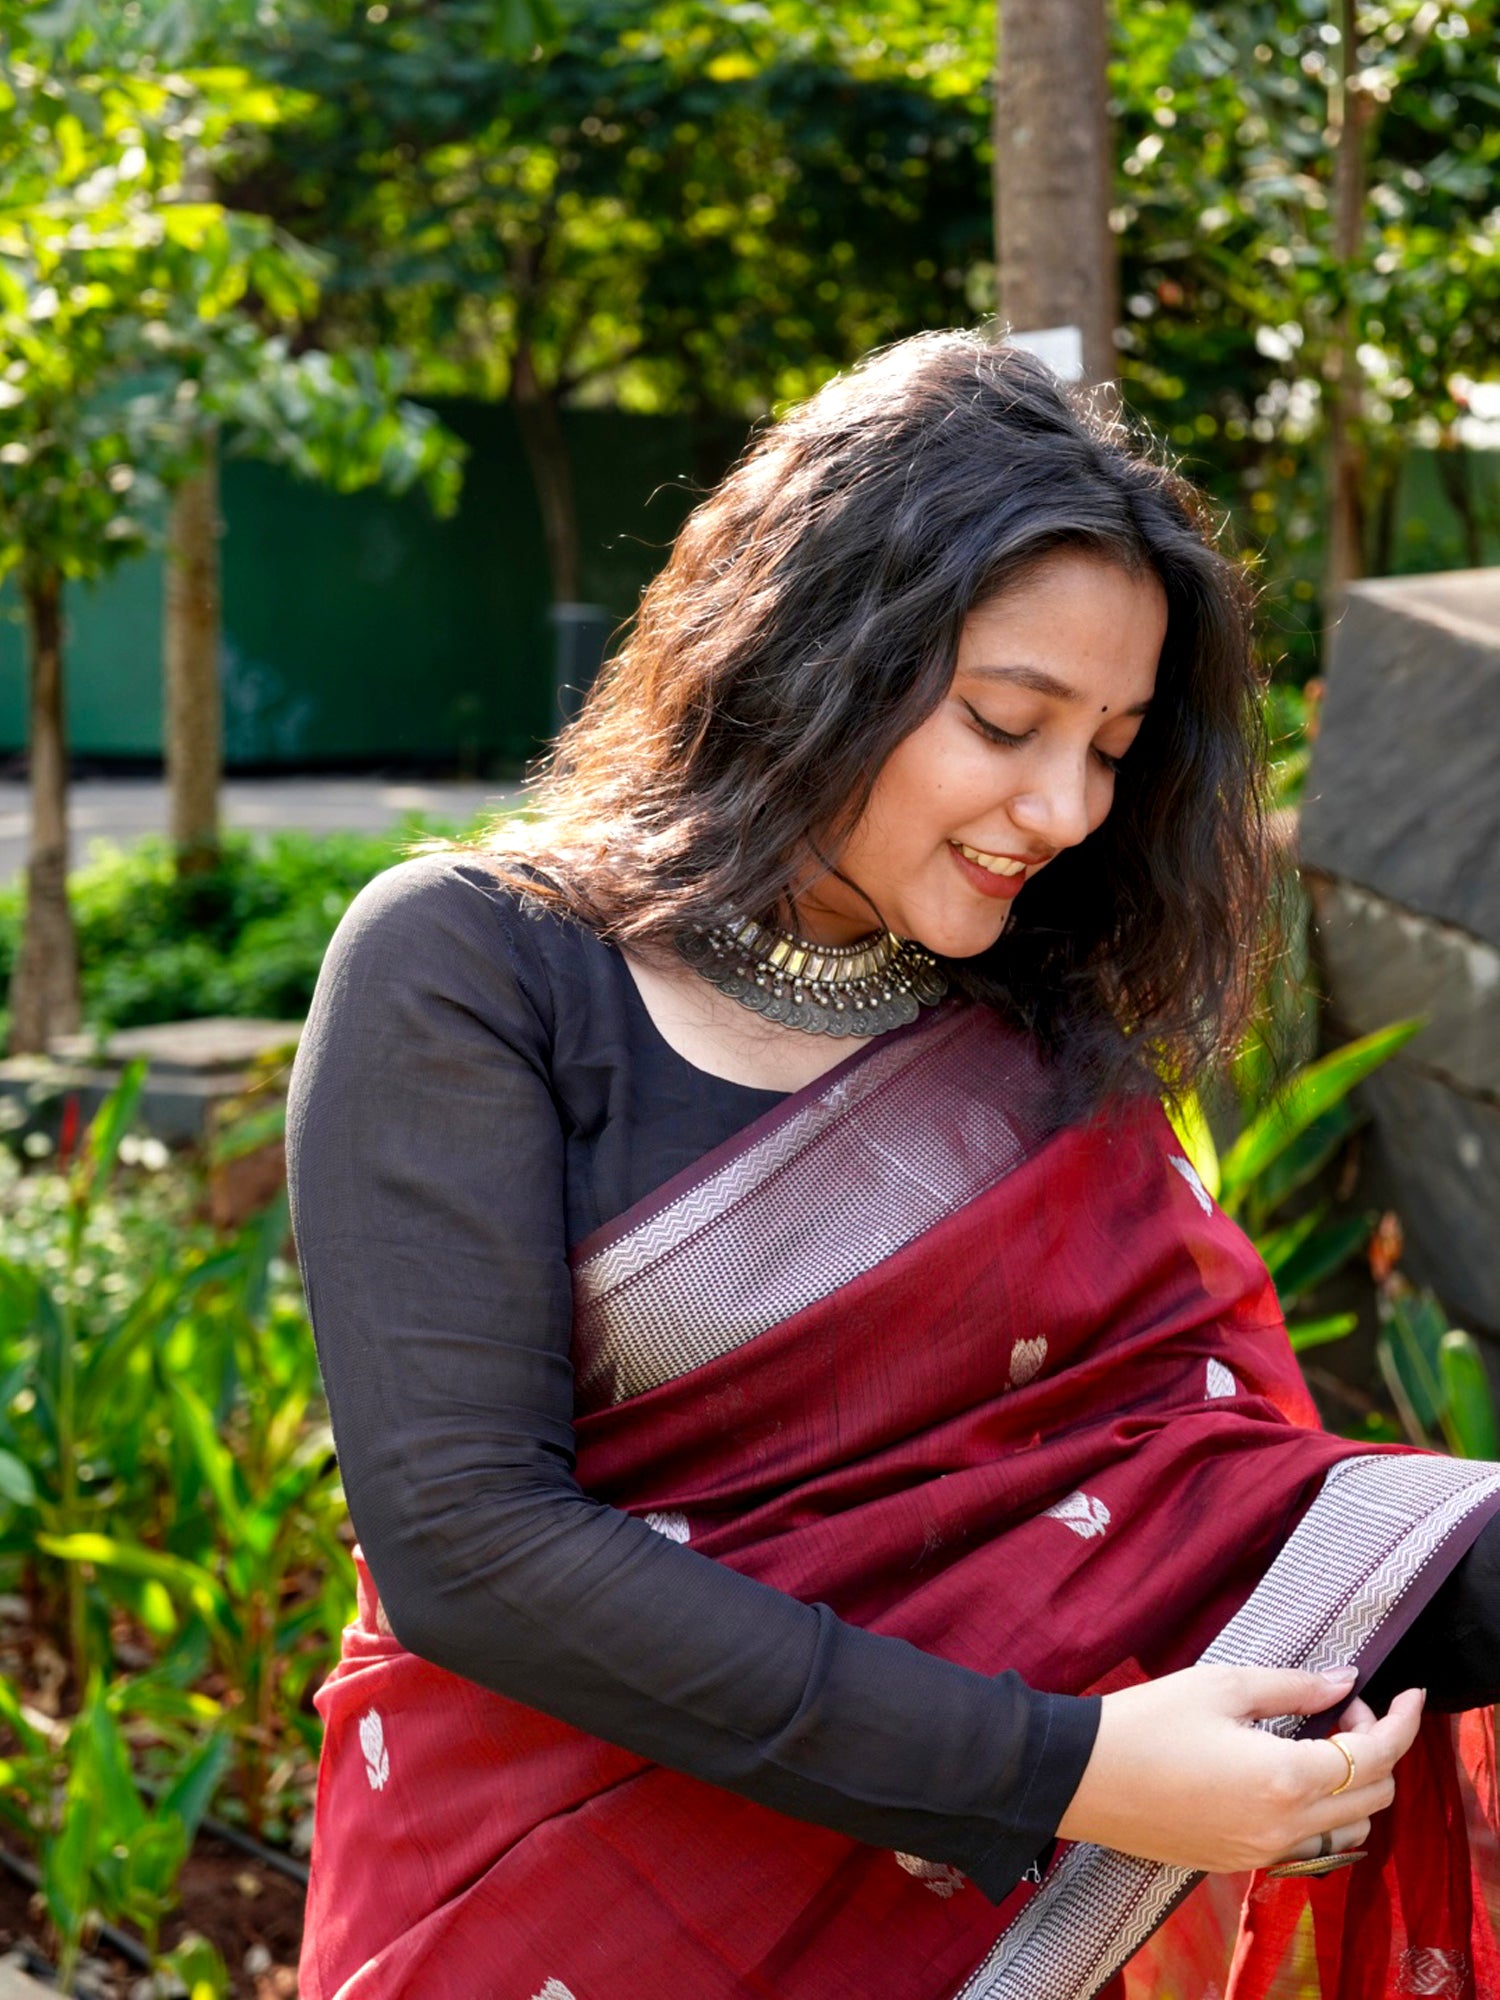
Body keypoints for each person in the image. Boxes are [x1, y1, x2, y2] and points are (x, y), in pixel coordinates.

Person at [287, 332, 1500, 2000]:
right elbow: (470, 1549)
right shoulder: (478, 966)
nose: (1068, 806)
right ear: (811, 652)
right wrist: (1068, 1773)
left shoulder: (1028, 1035)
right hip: (547, 1908)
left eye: (1116, 745)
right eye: (1008, 722)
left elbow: (1196, 1509)